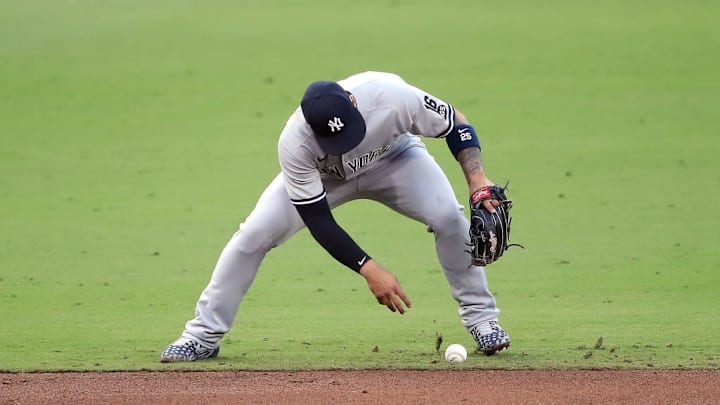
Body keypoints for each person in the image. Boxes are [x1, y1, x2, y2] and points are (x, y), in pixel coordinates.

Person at [160, 71, 511, 362]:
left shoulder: (391, 96)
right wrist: (368, 267)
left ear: (354, 103)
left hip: (395, 159)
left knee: (449, 216)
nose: (343, 141)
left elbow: (455, 124)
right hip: (325, 178)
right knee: (252, 236)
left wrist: (477, 178)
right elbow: (319, 220)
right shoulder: (294, 143)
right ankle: (203, 335)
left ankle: (483, 320)